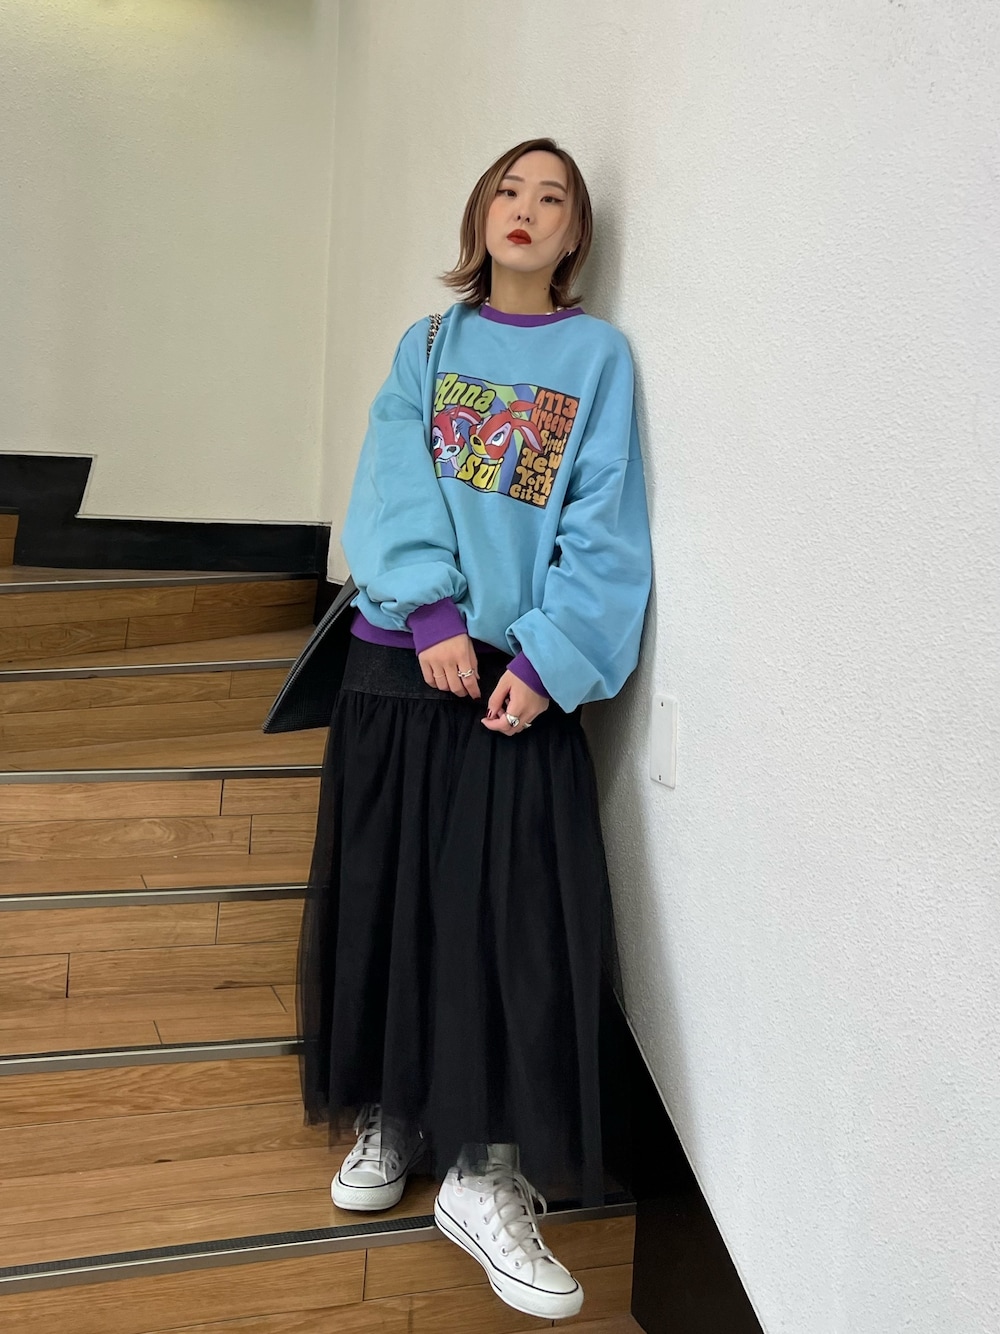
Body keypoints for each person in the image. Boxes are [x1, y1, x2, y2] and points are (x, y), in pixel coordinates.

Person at [297, 136, 652, 1322]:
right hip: (401, 659)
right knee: (390, 893)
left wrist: (549, 659)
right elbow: (392, 485)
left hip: (518, 683)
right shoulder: (429, 345)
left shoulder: (596, 358)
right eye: (510, 188)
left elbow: (604, 522)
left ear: (575, 236)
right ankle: (393, 1114)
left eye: (553, 198)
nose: (526, 208)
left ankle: (486, 1170)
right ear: (481, 212)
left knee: (511, 923)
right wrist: (434, 612)